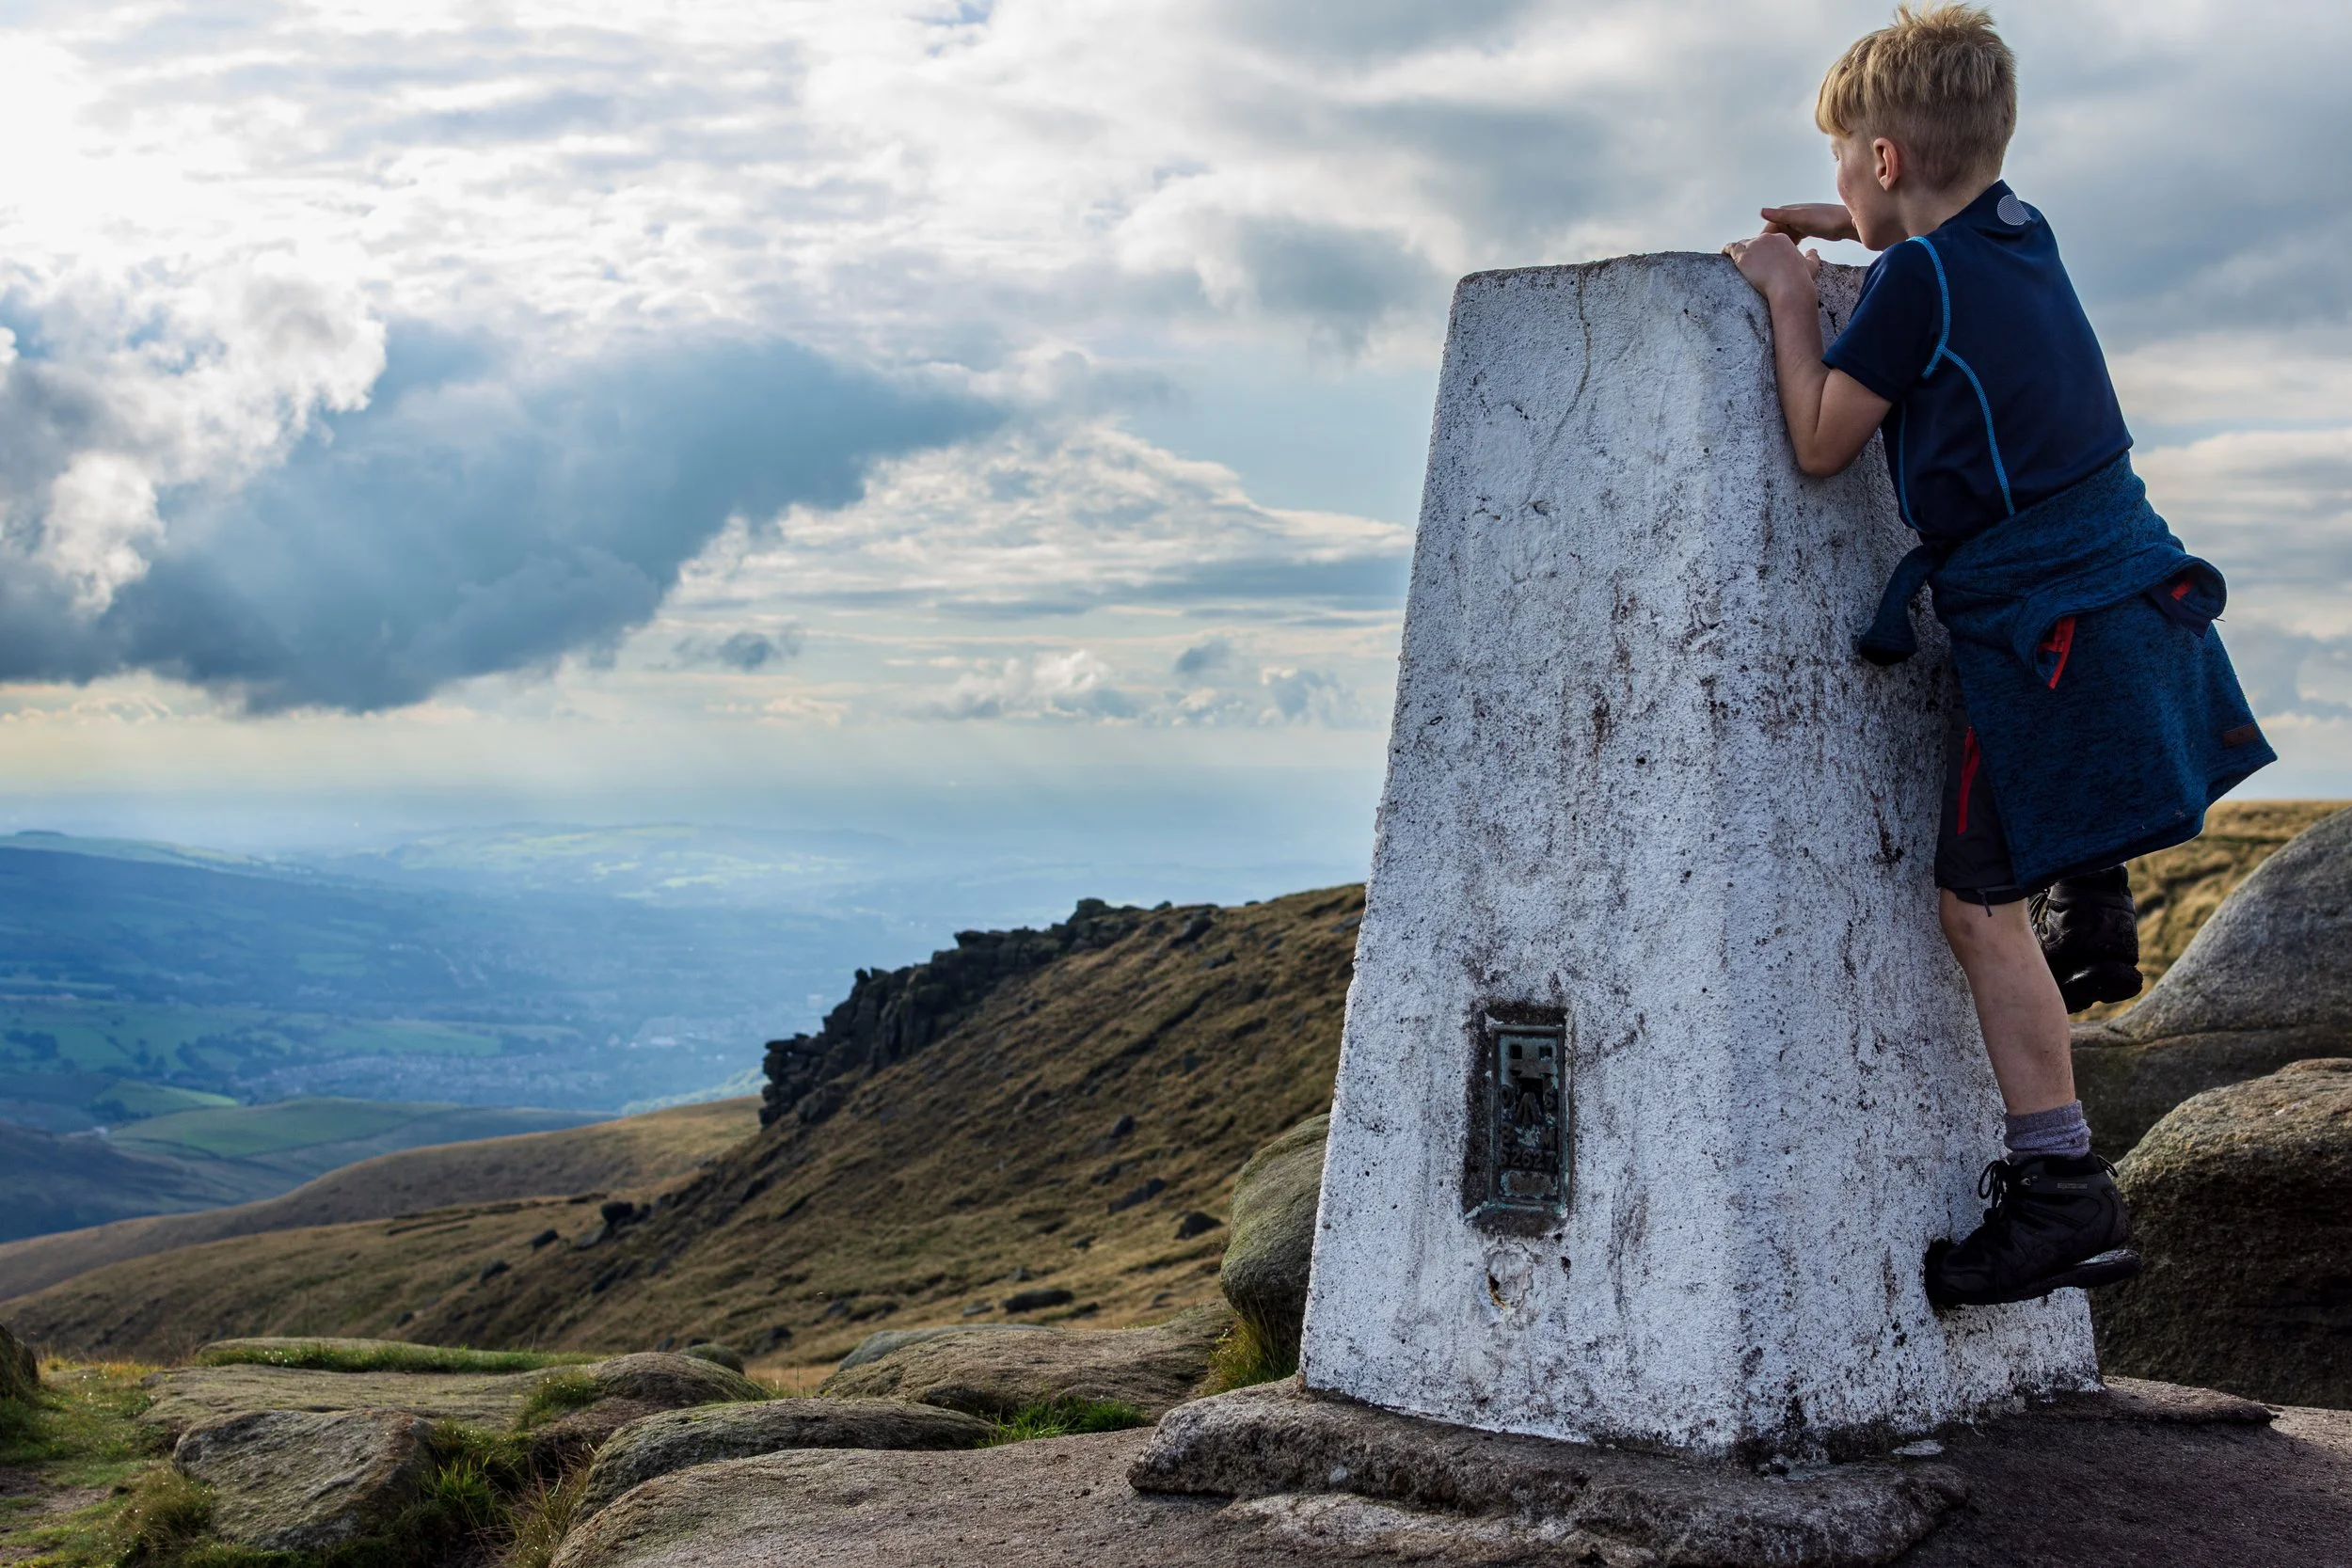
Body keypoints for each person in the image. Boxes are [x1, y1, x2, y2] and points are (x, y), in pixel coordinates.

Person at [1722, 4, 2274, 1307]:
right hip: (2118, 591)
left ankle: (2061, 1192)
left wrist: (1792, 294)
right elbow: (1942, 271)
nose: (1845, 186)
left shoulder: (1913, 283)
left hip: (2042, 635)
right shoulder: (2023, 234)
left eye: (1851, 164)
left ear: (1890, 162)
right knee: (2023, 870)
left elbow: (1816, 438)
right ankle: (2095, 883)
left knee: (1972, 904)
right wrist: (1841, 218)